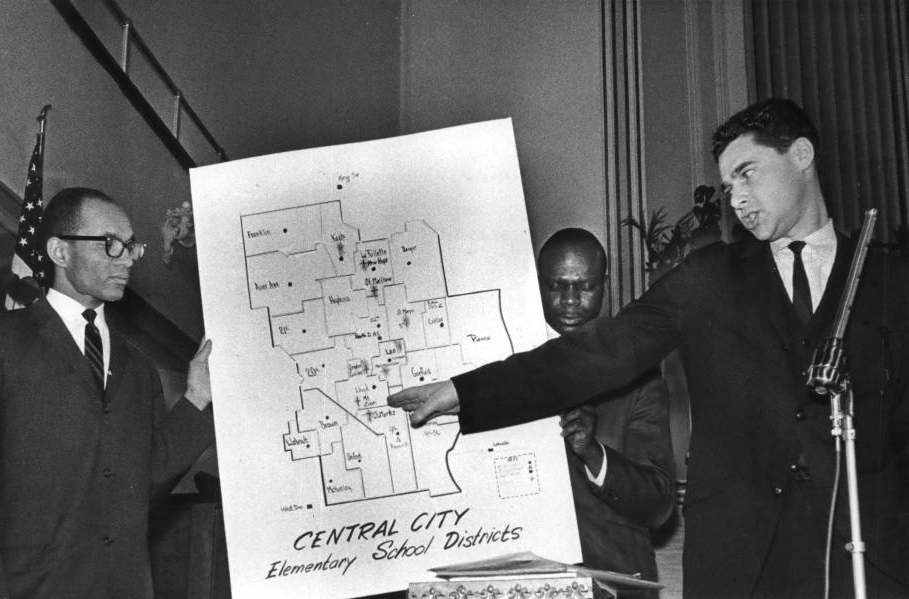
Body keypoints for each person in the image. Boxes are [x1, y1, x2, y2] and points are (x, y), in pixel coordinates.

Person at [389, 98, 909, 598]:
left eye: (747, 173)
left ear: (801, 155)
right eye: (727, 187)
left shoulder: (891, 283)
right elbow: (598, 352)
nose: (737, 199)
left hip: (863, 564)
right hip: (740, 570)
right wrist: (465, 391)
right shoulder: (709, 279)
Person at [0, 187, 216, 598]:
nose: (127, 257)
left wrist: (197, 397)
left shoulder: (139, 367)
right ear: (60, 252)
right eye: (111, 244)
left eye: (131, 246)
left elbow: (138, 486)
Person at [538, 228, 675, 589]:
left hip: (614, 584)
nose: (570, 300)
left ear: (605, 285)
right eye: (555, 286)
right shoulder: (502, 369)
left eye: (584, 286)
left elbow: (660, 505)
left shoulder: (638, 372)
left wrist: (594, 453)